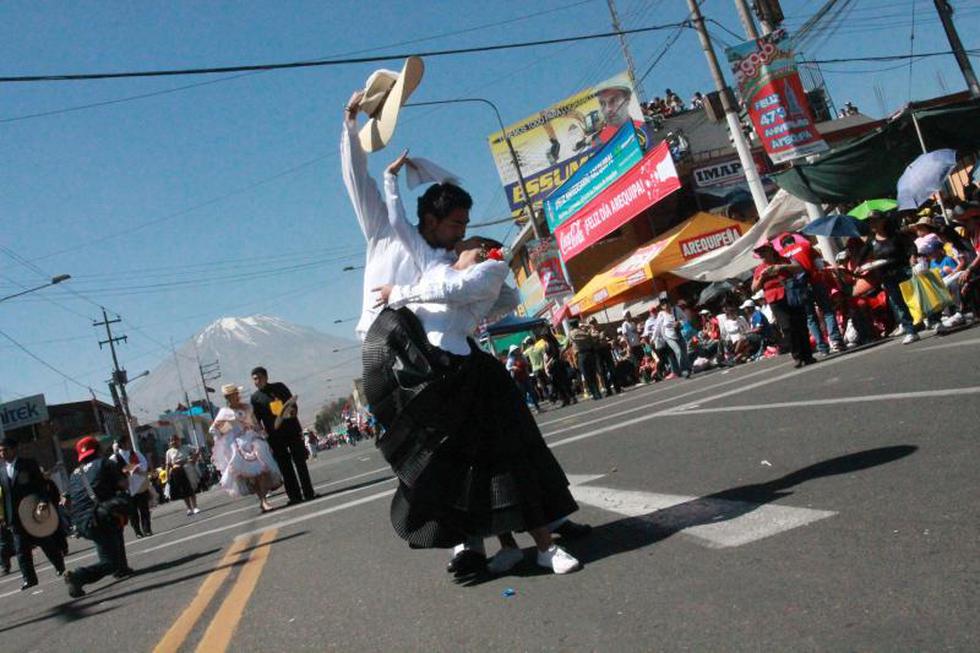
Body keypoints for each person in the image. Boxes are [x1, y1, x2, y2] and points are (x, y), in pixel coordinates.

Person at [368, 239, 582, 575]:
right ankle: (508, 546)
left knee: (508, 461)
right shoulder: (436, 272)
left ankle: (545, 546)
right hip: (448, 382)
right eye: (460, 240)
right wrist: (390, 184)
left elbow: (482, 292)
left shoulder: (484, 273)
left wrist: (402, 292)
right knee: (475, 471)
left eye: (472, 245)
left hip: (475, 377)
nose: (462, 249)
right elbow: (402, 232)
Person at [63, 436, 132, 598]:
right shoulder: (106, 463)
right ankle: (79, 576)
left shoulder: (75, 473)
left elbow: (67, 499)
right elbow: (124, 485)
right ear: (99, 450)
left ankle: (122, 568)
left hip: (82, 522)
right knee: (109, 563)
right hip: (100, 517)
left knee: (113, 527)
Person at [0, 437, 66, 590]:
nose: (2, 454)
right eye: (0, 451)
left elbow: (40, 485)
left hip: (31, 511)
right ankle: (29, 579)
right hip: (14, 517)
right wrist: (3, 515)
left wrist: (43, 500)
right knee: (21, 549)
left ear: (14, 449)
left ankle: (59, 565)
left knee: (44, 541)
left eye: (5, 450)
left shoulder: (28, 464)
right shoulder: (1, 470)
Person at [211, 384, 283, 513]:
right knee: (253, 475)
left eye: (237, 394)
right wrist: (228, 425)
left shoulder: (247, 407)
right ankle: (262, 500)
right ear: (228, 397)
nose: (237, 396)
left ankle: (264, 500)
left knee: (261, 471)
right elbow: (217, 431)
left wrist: (260, 432)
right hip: (239, 444)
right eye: (233, 395)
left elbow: (255, 423)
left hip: (253, 439)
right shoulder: (224, 412)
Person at [250, 367, 316, 505]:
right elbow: (256, 419)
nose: (256, 381)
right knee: (285, 467)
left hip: (291, 430)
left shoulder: (279, 387)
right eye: (254, 379)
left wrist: (292, 412)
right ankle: (294, 497)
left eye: (258, 378)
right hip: (275, 437)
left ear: (266, 377)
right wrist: (262, 433)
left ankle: (309, 493)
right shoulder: (255, 398)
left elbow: (292, 404)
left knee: (300, 463)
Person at [752, 239, 816, 367]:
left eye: (764, 250)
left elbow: (799, 268)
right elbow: (754, 288)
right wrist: (763, 277)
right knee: (787, 327)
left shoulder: (784, 260)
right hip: (775, 299)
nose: (763, 254)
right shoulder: (760, 269)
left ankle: (807, 355)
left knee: (800, 324)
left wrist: (782, 267)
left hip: (791, 293)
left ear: (771, 250)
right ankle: (797, 356)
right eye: (760, 252)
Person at [858, 211, 919, 344]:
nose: (872, 224)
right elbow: (863, 254)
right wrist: (859, 266)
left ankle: (932, 320)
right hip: (886, 275)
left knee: (915, 298)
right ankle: (910, 330)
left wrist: (913, 256)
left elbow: (911, 246)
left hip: (903, 270)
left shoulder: (895, 235)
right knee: (898, 303)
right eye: (870, 222)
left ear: (883, 221)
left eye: (874, 221)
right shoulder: (872, 240)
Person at [109, 435, 152, 538]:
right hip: (127, 488)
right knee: (132, 512)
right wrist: (126, 470)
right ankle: (137, 531)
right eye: (127, 442)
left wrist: (136, 468)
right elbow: (113, 470)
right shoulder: (114, 457)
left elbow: (144, 464)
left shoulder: (135, 453)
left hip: (140, 484)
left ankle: (147, 529)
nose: (129, 444)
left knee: (144, 509)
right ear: (123, 444)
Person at [165, 434, 200, 516]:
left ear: (179, 440)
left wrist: (194, 459)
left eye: (175, 440)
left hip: (187, 468)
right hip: (176, 471)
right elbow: (168, 465)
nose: (173, 442)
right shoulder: (169, 452)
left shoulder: (186, 447)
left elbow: (197, 450)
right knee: (183, 491)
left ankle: (195, 507)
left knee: (190, 488)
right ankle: (189, 508)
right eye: (171, 441)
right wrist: (167, 476)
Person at [568, 318, 602, 400]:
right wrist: (588, 329)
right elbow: (590, 338)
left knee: (590, 374)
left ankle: (595, 393)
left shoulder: (576, 332)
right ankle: (596, 392)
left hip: (584, 354)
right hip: (586, 353)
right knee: (590, 374)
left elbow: (595, 336)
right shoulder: (579, 332)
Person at [506, 344, 541, 413]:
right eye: (515, 350)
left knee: (532, 392)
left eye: (517, 349)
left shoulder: (522, 356)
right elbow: (507, 367)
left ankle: (537, 408)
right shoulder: (511, 359)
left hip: (525, 377)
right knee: (523, 394)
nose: (517, 351)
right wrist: (513, 367)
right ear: (512, 352)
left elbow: (526, 364)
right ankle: (525, 410)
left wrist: (527, 369)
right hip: (518, 379)